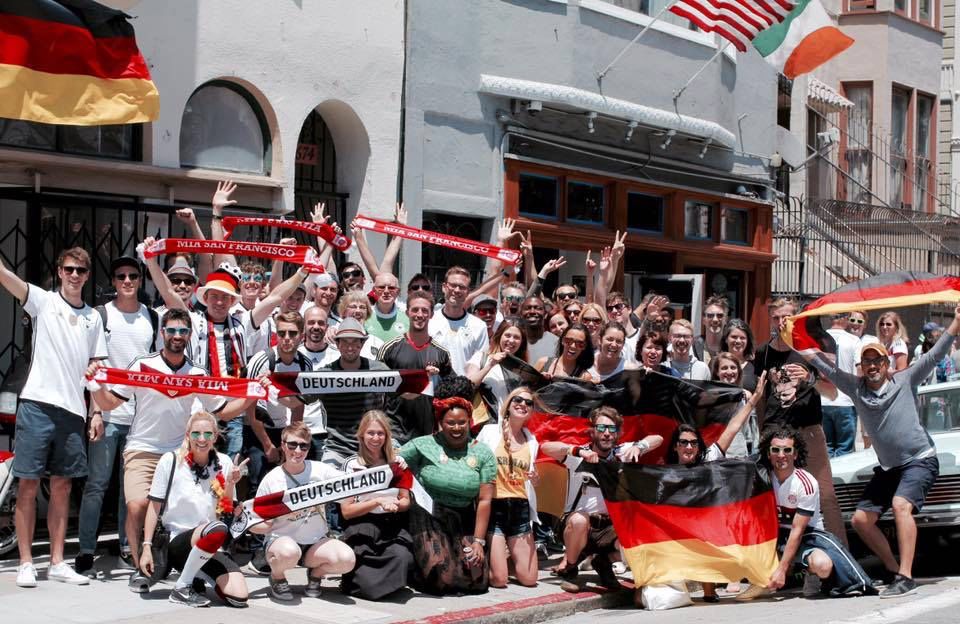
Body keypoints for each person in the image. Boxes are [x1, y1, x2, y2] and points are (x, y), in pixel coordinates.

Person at [86, 308, 252, 592]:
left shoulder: (198, 372)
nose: (177, 336)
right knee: (136, 506)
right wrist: (94, 385)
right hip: (142, 448)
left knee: (174, 514)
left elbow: (222, 412)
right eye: (171, 330)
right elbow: (112, 402)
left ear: (189, 335)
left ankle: (176, 562)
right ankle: (141, 565)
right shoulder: (142, 364)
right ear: (162, 333)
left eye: (183, 331)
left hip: (180, 455)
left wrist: (252, 395)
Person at [802, 304, 960, 598]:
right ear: (861, 367)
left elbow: (934, 355)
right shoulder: (855, 387)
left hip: (920, 460)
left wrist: (955, 323)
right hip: (889, 468)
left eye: (878, 361)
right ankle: (893, 568)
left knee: (901, 505)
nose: (873, 366)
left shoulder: (905, 379)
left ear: (887, 363)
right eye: (867, 362)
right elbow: (824, 366)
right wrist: (792, 338)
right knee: (861, 520)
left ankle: (907, 576)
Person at [1, 247, 108, 588]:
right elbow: (9, 279)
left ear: (87, 276)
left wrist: (96, 412)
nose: (75, 275)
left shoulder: (94, 317)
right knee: (28, 485)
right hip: (36, 405)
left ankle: (58, 562)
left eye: (81, 270)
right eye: (69, 269)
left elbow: (98, 369)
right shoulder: (44, 302)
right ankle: (27, 562)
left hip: (74, 411)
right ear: (60, 271)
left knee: (62, 487)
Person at [77, 255, 158, 577]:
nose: (127, 281)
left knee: (132, 491)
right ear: (113, 281)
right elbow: (93, 366)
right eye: (121, 276)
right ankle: (85, 549)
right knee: (96, 484)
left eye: (133, 276)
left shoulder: (150, 317)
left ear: (140, 280)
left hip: (140, 421)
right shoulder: (100, 315)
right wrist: (94, 412)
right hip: (108, 414)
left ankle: (129, 546)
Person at [754, 297, 846, 547]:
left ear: (796, 320)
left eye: (787, 317)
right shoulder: (763, 353)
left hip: (808, 431)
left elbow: (833, 393)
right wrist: (763, 432)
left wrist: (810, 378)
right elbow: (761, 398)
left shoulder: (809, 350)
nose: (782, 322)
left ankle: (842, 560)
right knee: (773, 500)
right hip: (775, 435)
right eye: (776, 317)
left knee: (825, 496)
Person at [540, 406, 662, 593]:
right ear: (593, 431)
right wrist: (577, 451)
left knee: (636, 534)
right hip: (577, 527)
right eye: (601, 428)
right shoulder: (580, 455)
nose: (606, 433)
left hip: (608, 528)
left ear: (617, 433)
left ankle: (603, 561)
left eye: (612, 429)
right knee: (580, 520)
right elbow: (546, 447)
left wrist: (639, 446)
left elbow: (658, 438)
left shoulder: (622, 453)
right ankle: (571, 568)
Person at [665, 375, 765, 602]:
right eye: (684, 443)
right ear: (676, 446)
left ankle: (722, 584)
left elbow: (733, 427)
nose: (689, 447)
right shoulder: (666, 472)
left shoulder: (709, 457)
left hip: (713, 524)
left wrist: (753, 401)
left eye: (693, 442)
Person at [140, 412, 248, 607]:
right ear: (187, 435)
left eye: (207, 434)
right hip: (177, 541)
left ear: (215, 437)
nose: (201, 439)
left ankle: (195, 574)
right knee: (216, 529)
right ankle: (182, 587)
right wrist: (146, 546)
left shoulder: (224, 462)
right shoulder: (170, 460)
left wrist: (231, 483)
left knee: (239, 596)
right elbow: (154, 507)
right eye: (196, 433)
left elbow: (226, 508)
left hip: (210, 543)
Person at [400, 382, 497, 595]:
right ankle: (413, 569)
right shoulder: (423, 444)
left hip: (464, 518)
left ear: (469, 422)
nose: (456, 428)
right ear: (440, 422)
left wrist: (479, 543)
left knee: (477, 580)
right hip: (429, 515)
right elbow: (392, 461)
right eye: (450, 423)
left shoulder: (483, 453)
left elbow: (484, 501)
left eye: (462, 423)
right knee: (442, 578)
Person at [758, 425, 874, 599]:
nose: (781, 455)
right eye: (775, 450)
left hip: (806, 536)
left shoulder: (806, 483)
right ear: (768, 453)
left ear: (795, 454)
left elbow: (797, 531)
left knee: (822, 565)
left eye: (787, 450)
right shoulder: (761, 477)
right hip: (773, 537)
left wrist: (782, 568)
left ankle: (809, 574)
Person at [250, 422, 356, 601]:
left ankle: (316, 574)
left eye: (303, 446)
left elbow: (349, 493)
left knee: (347, 559)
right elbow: (261, 524)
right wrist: (248, 523)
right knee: (288, 552)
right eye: (292, 445)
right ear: (283, 445)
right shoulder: (272, 480)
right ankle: (277, 577)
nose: (297, 451)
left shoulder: (320, 470)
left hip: (315, 543)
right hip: (282, 543)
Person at [339, 411, 415, 599]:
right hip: (361, 526)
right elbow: (346, 511)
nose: (375, 438)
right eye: (371, 433)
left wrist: (397, 505)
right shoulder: (351, 465)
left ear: (387, 436)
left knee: (402, 556)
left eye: (380, 433)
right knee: (367, 585)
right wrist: (377, 502)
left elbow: (405, 500)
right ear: (361, 435)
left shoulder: (397, 464)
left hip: (390, 526)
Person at [476, 387, 540, 588]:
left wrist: (535, 478)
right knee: (499, 580)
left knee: (530, 580)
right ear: (509, 404)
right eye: (518, 400)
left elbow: (531, 478)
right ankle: (495, 558)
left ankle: (507, 558)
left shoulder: (532, 441)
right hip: (495, 506)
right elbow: (474, 460)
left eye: (528, 403)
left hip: (520, 507)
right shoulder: (490, 432)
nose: (523, 404)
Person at [379, 291, 453, 444]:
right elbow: (376, 388)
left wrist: (436, 379)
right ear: (407, 312)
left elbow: (449, 394)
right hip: (394, 432)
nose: (420, 314)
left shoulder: (442, 353)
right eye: (415, 310)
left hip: (427, 435)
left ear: (432, 314)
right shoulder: (389, 348)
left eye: (425, 310)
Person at [315, 318, 390, 468]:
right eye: (345, 342)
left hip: (372, 447)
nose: (350, 347)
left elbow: (405, 393)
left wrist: (423, 378)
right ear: (337, 344)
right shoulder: (325, 374)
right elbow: (297, 400)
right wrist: (274, 385)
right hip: (337, 449)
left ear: (362, 344)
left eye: (355, 342)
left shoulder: (379, 370)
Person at [428, 266, 489, 376]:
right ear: (444, 287)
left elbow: (480, 364)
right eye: (453, 285)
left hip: (463, 390)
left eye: (462, 287)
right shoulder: (429, 321)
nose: (456, 290)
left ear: (467, 292)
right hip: (432, 389)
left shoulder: (479, 326)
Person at [466, 317, 529, 419]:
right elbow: (468, 385)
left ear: (522, 342)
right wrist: (490, 365)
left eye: (516, 337)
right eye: (507, 335)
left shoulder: (522, 368)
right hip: (485, 424)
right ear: (499, 336)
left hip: (510, 425)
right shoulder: (481, 357)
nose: (511, 340)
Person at [823, 313, 862, 457]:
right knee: (845, 450)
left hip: (823, 399)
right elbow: (859, 370)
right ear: (845, 319)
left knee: (826, 448)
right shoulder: (854, 340)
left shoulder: (820, 338)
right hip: (846, 400)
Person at [298, 306, 334, 459]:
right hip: (297, 431)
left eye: (321, 323)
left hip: (324, 432)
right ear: (304, 326)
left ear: (327, 326)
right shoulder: (293, 356)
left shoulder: (337, 356)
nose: (316, 327)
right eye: (311, 322)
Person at [709, 352, 759, 457]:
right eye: (724, 368)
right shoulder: (710, 396)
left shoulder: (746, 395)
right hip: (716, 452)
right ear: (717, 372)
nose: (729, 371)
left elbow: (751, 429)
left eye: (733, 367)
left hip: (739, 453)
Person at [336, 290, 385, 359]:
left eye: (362, 307)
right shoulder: (332, 339)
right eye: (353, 307)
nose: (358, 311)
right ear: (344, 311)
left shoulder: (377, 343)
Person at [367, 272, 408, 343]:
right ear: (374, 290)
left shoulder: (408, 318)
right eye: (381, 287)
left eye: (391, 288)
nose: (386, 291)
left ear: (398, 292)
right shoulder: (365, 316)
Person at [720, 318, 758, 392]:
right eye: (734, 337)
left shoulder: (755, 365)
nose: (738, 341)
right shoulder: (716, 362)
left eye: (742, 338)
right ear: (726, 339)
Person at [521, 296, 558, 365]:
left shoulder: (557, 342)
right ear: (521, 314)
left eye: (538, 308)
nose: (532, 311)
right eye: (527, 308)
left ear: (545, 314)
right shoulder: (514, 340)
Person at [693, 295, 729, 363]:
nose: (715, 319)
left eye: (720, 316)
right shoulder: (693, 346)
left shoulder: (731, 347)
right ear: (703, 320)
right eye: (710, 315)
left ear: (726, 319)